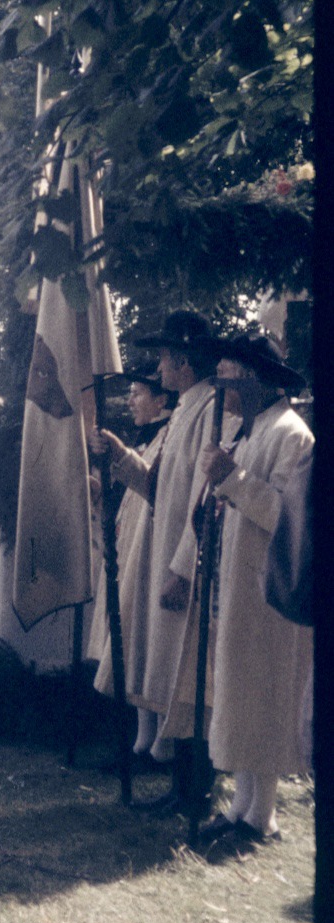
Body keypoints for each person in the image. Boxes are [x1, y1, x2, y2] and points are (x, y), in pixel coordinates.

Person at [175, 337, 313, 848]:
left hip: (269, 589)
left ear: (257, 379)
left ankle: (264, 816)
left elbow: (287, 516)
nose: (224, 391)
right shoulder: (253, 430)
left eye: (231, 378)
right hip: (239, 582)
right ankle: (241, 808)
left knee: (267, 691)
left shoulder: (292, 435)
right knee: (241, 692)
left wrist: (232, 478)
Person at [128, 310, 227, 813]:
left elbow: (206, 495)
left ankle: (196, 790)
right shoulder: (189, 406)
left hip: (184, 565)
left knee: (190, 677)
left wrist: (184, 568)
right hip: (166, 552)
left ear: (183, 361)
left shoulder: (211, 408)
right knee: (173, 675)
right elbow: (163, 485)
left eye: (165, 358)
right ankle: (180, 786)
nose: (159, 368)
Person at [87, 370, 175, 758]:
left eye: (138, 393)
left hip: (158, 548)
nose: (130, 400)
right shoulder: (153, 435)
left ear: (161, 401)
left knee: (148, 638)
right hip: (135, 543)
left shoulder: (172, 433)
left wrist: (121, 455)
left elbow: (157, 489)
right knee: (134, 637)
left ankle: (158, 742)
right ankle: (141, 736)